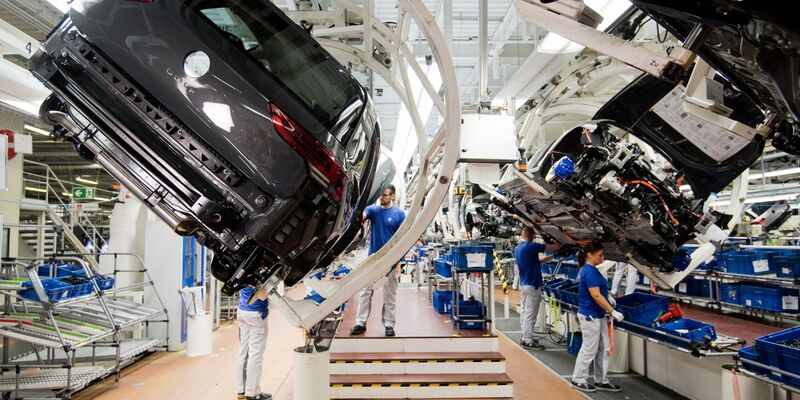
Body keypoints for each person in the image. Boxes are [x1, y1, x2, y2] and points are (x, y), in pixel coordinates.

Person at [350, 185, 406, 337]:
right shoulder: (374, 210)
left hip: (391, 260)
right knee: (365, 292)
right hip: (373, 258)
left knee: (390, 294)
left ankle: (389, 324)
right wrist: (359, 211)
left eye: (385, 195)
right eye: (381, 195)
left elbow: (403, 240)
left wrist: (399, 263)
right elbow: (364, 214)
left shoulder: (399, 215)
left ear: (393, 196)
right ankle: (360, 323)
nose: (382, 198)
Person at [571, 241, 624, 393]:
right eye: (600, 255)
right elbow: (595, 295)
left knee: (604, 349)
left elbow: (598, 291)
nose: (603, 258)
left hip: (598, 315)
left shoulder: (590, 270)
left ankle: (601, 380)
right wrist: (612, 310)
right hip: (590, 316)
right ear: (590, 255)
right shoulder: (589, 271)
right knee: (589, 349)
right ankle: (578, 379)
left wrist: (606, 294)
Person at [515, 226, 560, 349]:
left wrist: (554, 257)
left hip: (524, 285)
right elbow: (553, 247)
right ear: (532, 236)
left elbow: (538, 261)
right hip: (532, 285)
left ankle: (524, 335)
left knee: (525, 312)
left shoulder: (518, 248)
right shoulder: (531, 246)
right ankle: (527, 340)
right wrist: (563, 244)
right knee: (530, 314)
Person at [236, 286, 272, 400]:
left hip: (242, 311)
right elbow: (263, 293)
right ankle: (252, 392)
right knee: (256, 354)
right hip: (256, 314)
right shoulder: (258, 269)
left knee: (243, 352)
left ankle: (241, 390)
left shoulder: (242, 268)